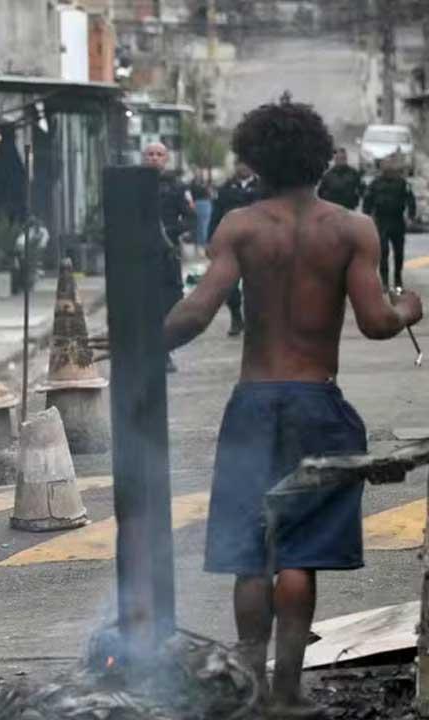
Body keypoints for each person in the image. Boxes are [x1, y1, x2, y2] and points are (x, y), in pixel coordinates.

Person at [163, 98, 422, 719]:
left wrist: (139, 340)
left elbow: (197, 312)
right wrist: (411, 308)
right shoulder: (351, 229)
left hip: (254, 405)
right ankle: (288, 692)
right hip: (317, 405)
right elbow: (379, 322)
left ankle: (249, 689)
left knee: (252, 554)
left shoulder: (241, 227)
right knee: (300, 553)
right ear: (319, 158)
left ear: (256, 162)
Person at [143, 142, 190, 372]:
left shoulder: (177, 187)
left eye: (158, 155)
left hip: (168, 253)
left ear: (166, 159)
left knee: (169, 302)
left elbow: (190, 218)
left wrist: (171, 232)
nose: (154, 158)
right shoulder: (134, 185)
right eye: (150, 154)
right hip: (142, 254)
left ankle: (165, 350)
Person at [208, 161, 262, 336]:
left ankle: (255, 321)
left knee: (256, 283)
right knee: (229, 284)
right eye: (240, 164)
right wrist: (210, 240)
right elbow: (216, 214)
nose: (243, 168)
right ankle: (236, 316)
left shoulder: (264, 187)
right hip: (231, 242)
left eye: (247, 164)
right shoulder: (226, 188)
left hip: (257, 241)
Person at [363, 157, 417, 290]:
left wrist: (411, 216)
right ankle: (385, 282)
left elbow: (411, 200)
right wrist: (366, 218)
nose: (388, 168)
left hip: (397, 220)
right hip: (381, 221)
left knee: (399, 253)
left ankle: (398, 280)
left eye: (390, 166)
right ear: (381, 168)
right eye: (385, 166)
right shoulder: (375, 184)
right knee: (383, 252)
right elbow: (367, 201)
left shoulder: (402, 183)